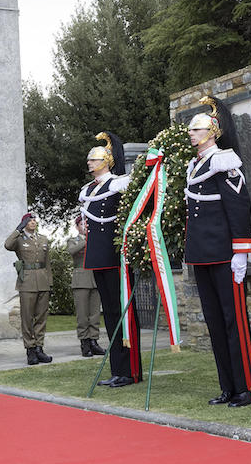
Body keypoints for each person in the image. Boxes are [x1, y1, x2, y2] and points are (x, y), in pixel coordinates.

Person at [185, 96, 251, 407]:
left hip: (225, 256)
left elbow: (238, 208)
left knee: (234, 321)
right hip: (203, 254)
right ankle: (227, 386)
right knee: (215, 322)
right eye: (190, 129)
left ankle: (245, 388)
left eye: (196, 128)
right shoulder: (194, 165)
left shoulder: (225, 162)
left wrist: (240, 252)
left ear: (212, 131)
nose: (190, 133)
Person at [78, 131, 140, 387]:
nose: (90, 164)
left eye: (94, 160)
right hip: (96, 255)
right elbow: (85, 216)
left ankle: (129, 369)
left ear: (105, 161)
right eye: (90, 160)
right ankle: (118, 369)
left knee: (122, 311)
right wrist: (79, 224)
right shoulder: (88, 189)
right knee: (110, 313)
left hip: (115, 255)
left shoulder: (118, 183)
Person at [3, 213, 52, 365]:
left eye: (34, 220)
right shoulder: (18, 239)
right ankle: (30, 349)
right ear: (24, 223)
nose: (33, 222)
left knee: (41, 317)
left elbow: (47, 263)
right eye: (29, 220)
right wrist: (18, 229)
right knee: (27, 317)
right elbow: (7, 245)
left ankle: (39, 348)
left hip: (42, 281)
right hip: (27, 282)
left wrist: (50, 283)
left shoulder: (43, 239)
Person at [66, 216, 105, 357]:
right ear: (77, 227)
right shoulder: (73, 241)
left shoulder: (96, 240)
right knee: (82, 314)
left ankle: (94, 341)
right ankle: (85, 342)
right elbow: (71, 251)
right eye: (82, 224)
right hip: (81, 280)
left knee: (94, 314)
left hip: (95, 279)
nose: (85, 226)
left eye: (87, 224)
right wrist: (87, 241)